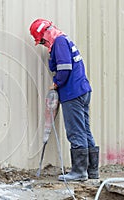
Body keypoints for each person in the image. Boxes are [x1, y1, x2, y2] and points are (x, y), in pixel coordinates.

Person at [29, 19, 99, 181]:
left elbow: (65, 68)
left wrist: (56, 83)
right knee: (85, 129)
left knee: (76, 131)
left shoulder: (59, 43)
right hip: (82, 89)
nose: (43, 44)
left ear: (44, 34)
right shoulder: (64, 39)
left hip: (72, 92)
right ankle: (92, 171)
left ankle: (79, 172)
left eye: (41, 41)